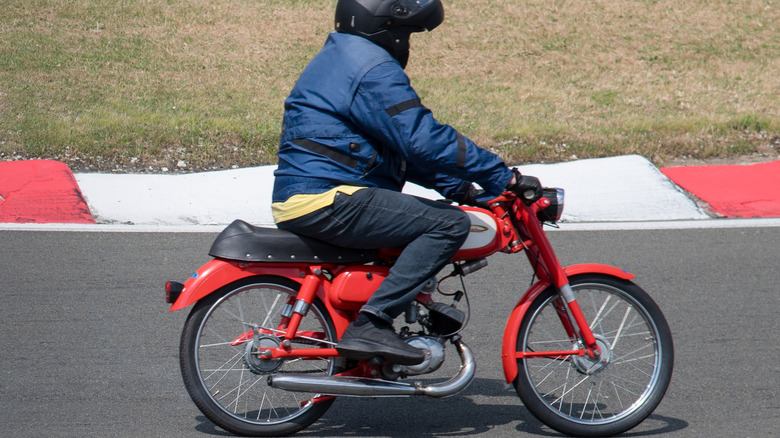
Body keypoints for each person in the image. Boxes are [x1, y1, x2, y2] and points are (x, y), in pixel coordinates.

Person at [271, 0, 542, 365]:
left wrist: (464, 190)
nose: (407, 42)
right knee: (448, 224)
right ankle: (373, 322)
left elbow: (397, 151)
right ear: (388, 27)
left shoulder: (343, 57)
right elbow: (422, 139)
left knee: (438, 216)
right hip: (331, 196)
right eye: (407, 33)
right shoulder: (371, 67)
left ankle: (369, 347)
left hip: (316, 192)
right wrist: (502, 176)